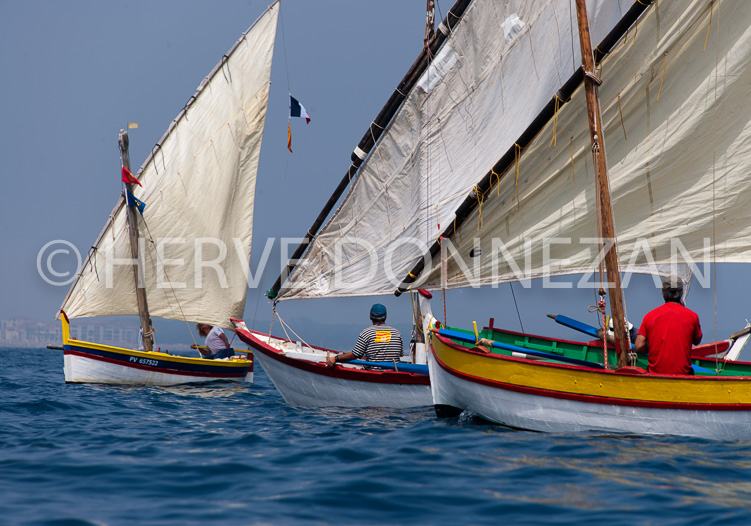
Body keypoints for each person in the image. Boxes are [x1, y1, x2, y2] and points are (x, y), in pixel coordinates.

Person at [634, 276, 702, 374]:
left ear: (662, 293)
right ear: (681, 293)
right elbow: (697, 340)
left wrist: (651, 348)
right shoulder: (692, 316)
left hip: (655, 373)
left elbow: (639, 346)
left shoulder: (649, 316)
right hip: (682, 374)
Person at [326, 304, 403, 367]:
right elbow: (400, 354)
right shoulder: (396, 333)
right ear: (386, 316)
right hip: (394, 372)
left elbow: (355, 355)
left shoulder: (367, 333)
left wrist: (336, 358)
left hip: (374, 374)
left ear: (370, 316)